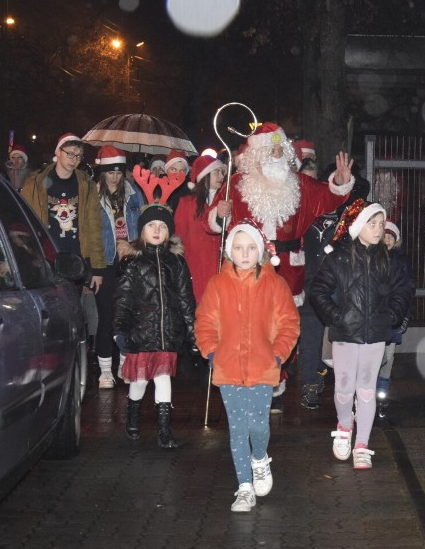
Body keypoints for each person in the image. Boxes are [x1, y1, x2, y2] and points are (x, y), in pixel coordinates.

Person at [214, 122, 355, 413]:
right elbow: (214, 219)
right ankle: (259, 382)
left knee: (283, 328)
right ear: (258, 153)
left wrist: (340, 183)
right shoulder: (238, 184)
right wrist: (220, 213)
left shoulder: (299, 184)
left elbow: (327, 198)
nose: (277, 153)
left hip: (291, 269)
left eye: (281, 149)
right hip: (249, 268)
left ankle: (278, 377)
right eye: (271, 148)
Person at [194, 220, 300, 512]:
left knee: (258, 426)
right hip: (228, 369)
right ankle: (244, 486)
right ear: (229, 251)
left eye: (251, 247)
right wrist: (213, 353)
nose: (244, 253)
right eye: (238, 248)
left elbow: (289, 323)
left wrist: (277, 355)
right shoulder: (218, 284)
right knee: (238, 428)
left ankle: (260, 459)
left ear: (260, 251)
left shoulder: (275, 284)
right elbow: (205, 322)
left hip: (263, 368)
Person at [309, 199, 412, 469]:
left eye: (381, 224)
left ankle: (362, 444)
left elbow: (403, 290)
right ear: (357, 224)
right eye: (372, 223)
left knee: (366, 390)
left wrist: (391, 317)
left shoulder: (387, 259)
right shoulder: (339, 257)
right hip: (345, 334)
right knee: (344, 388)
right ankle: (345, 425)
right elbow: (318, 291)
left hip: (375, 335)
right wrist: (336, 317)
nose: (379, 229)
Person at [114, 197, 196, 449]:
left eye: (162, 226)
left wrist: (193, 331)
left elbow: (185, 299)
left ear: (169, 231)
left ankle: (164, 430)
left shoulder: (177, 263)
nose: (157, 230)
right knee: (139, 380)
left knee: (163, 378)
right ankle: (133, 417)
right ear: (142, 231)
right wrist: (119, 330)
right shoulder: (134, 264)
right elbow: (123, 299)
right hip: (141, 333)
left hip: (167, 334)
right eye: (151, 226)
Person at [298, 162, 371, 410]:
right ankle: (310, 384)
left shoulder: (351, 216)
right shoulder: (307, 211)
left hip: (340, 289)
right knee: (310, 335)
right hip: (310, 284)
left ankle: (346, 389)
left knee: (341, 342)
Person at [21, 133, 106, 331]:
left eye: (78, 156)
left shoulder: (86, 185)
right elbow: (23, 223)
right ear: (58, 152)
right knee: (45, 317)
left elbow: (94, 225)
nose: (74, 160)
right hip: (44, 259)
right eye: (70, 154)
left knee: (70, 318)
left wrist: (97, 268)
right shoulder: (35, 183)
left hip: (74, 261)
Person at [94, 145, 144, 388]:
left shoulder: (134, 194)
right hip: (105, 263)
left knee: (128, 317)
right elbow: (90, 233)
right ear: (102, 172)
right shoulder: (93, 196)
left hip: (130, 262)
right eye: (109, 171)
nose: (114, 176)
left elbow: (144, 224)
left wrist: (137, 249)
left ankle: (125, 364)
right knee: (106, 317)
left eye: (118, 171)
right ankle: (105, 370)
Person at [174, 153, 227, 303]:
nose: (221, 175)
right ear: (204, 176)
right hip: (194, 266)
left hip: (217, 264)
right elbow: (179, 237)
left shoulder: (222, 203)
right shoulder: (186, 203)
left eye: (221, 171)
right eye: (216, 172)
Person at [375, 220, 415, 416]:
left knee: (388, 358)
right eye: (385, 236)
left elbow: (407, 290)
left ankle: (382, 394)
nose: (388, 240)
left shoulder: (401, 261)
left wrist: (405, 316)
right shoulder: (373, 258)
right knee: (376, 356)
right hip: (376, 318)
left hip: (394, 318)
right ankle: (369, 392)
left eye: (391, 237)